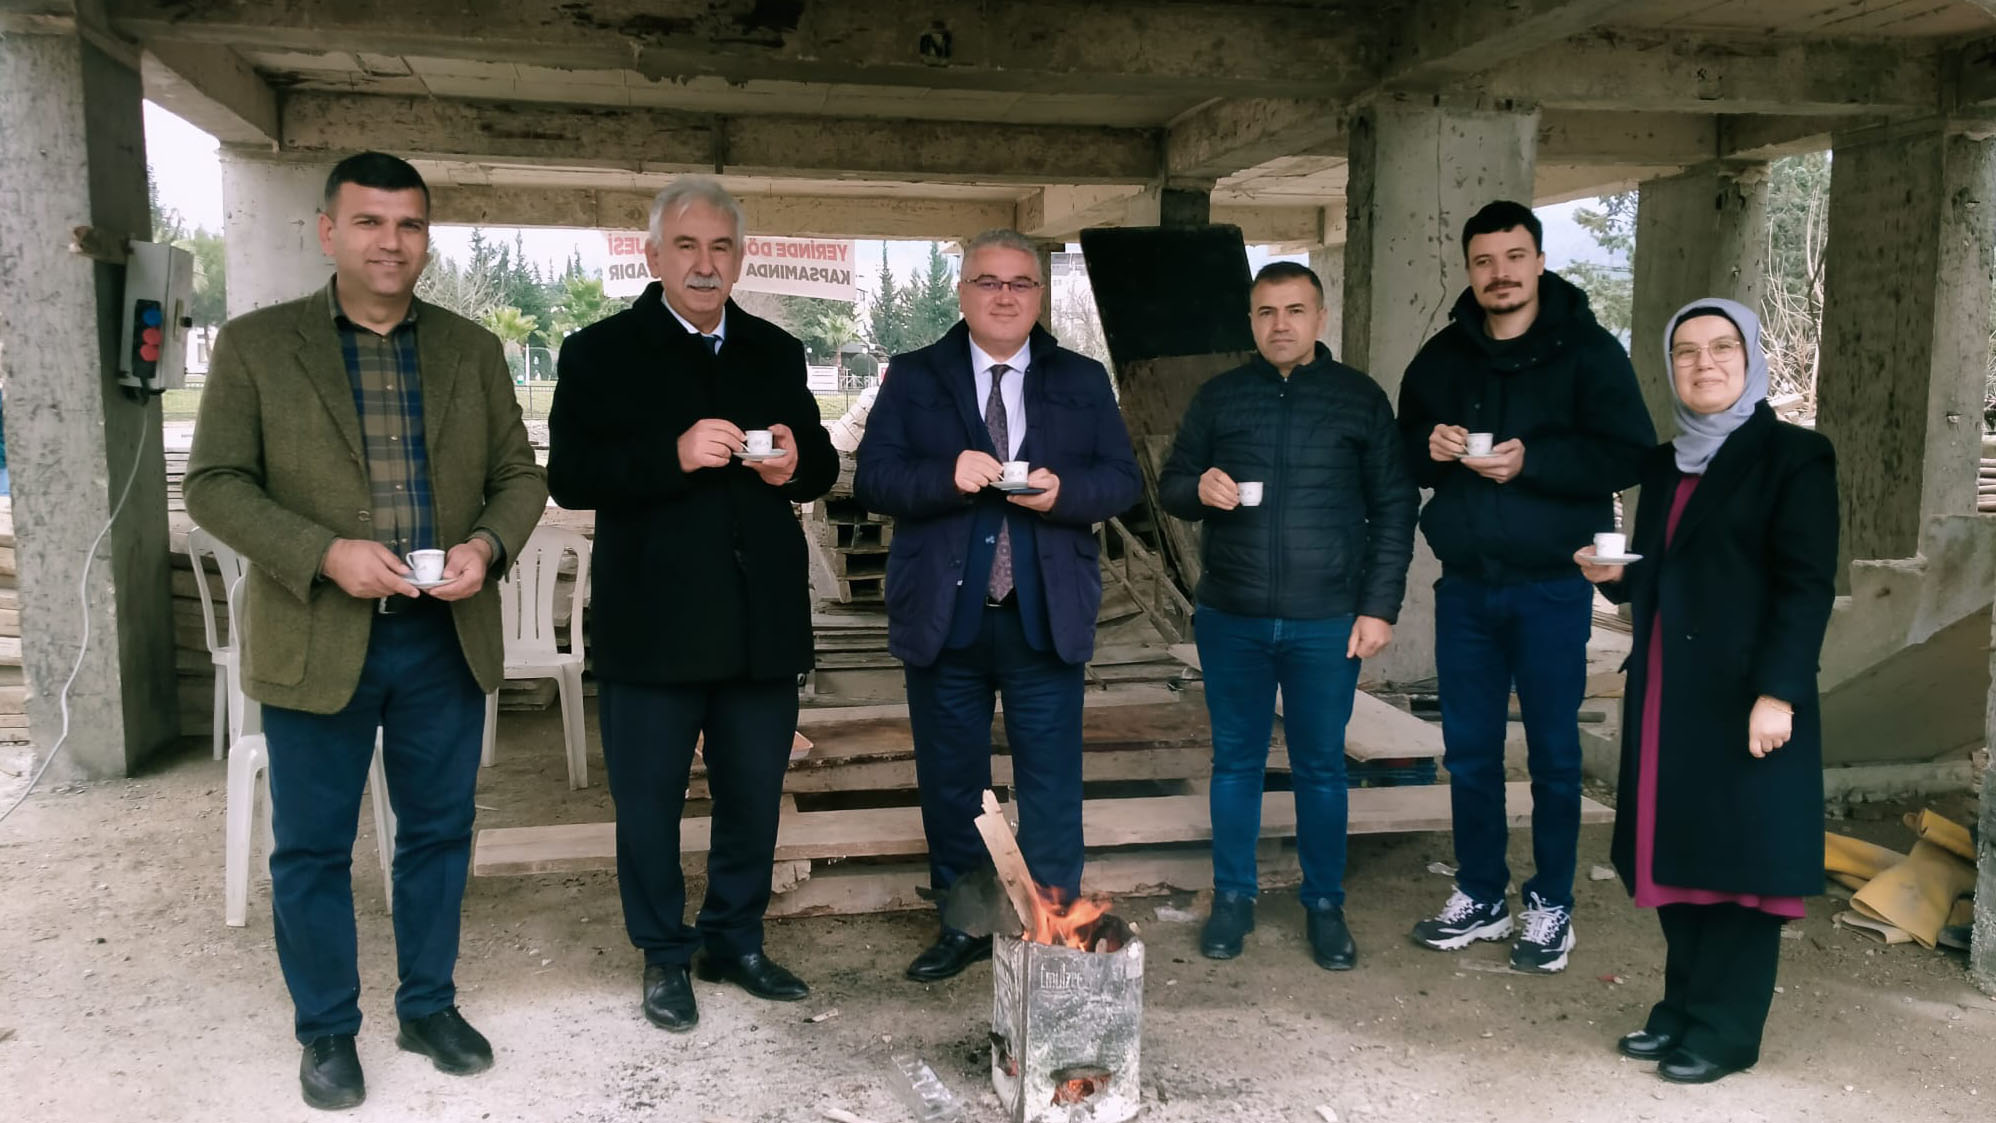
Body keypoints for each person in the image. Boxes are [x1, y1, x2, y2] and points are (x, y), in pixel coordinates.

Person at [184, 152, 547, 1111]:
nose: (392, 242)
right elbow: (214, 483)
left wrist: (487, 543)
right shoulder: (260, 346)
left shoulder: (471, 350)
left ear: (426, 238)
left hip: (441, 636)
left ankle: (427, 1004)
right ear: (329, 231)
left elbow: (520, 474)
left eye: (410, 225)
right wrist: (321, 552)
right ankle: (328, 1030)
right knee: (311, 846)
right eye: (371, 223)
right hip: (316, 632)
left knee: (437, 831)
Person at [547, 177, 838, 1033]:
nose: (705, 265)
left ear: (741, 258)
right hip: (655, 619)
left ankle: (734, 939)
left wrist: (795, 466)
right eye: (687, 247)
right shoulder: (599, 351)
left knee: (752, 791)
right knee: (649, 802)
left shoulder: (775, 352)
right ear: (653, 255)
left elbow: (817, 459)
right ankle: (663, 955)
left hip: (760, 619)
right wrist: (671, 453)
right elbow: (571, 475)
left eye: (721, 248)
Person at [854, 229, 1142, 982]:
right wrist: (945, 475)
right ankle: (962, 923)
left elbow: (1122, 482)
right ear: (963, 292)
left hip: (1045, 613)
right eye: (989, 281)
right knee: (953, 781)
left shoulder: (1080, 379)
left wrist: (1064, 495)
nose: (1005, 295)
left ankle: (1050, 927)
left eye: (1020, 283)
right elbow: (876, 480)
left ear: (1038, 296)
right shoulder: (916, 376)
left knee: (1051, 784)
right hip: (944, 615)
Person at [1576, 298, 1836, 1083]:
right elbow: (1665, 571)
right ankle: (1681, 1007)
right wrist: (1616, 579)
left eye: (1723, 347)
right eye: (1686, 351)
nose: (1705, 363)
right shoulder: (1665, 462)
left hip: (1748, 696)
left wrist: (1779, 693)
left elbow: (1805, 585)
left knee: (1741, 865)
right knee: (1680, 858)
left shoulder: (1795, 456)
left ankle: (1726, 1030)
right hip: (1670, 696)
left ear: (1751, 358)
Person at [1397, 200, 1656, 973]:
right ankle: (1479, 891)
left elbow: (1630, 454)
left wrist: (1530, 461)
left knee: (1552, 754)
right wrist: (1434, 446)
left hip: (1551, 586)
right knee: (1470, 750)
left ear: (1538, 261)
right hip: (1468, 586)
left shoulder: (1588, 351)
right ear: (1470, 269)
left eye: (1514, 258)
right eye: (1484, 261)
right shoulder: (1443, 357)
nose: (1499, 274)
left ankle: (1551, 904)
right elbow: (1406, 455)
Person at [1157, 262, 1417, 970]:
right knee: (1236, 762)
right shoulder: (1220, 398)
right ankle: (1233, 898)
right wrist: (1198, 488)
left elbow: (1396, 507)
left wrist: (1379, 607)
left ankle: (1324, 903)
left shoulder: (1358, 399)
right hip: (1232, 615)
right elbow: (1172, 483)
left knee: (1321, 768)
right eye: (1267, 311)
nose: (1281, 324)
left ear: (1320, 319)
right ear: (1251, 320)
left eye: (1295, 310)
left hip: (1326, 619)